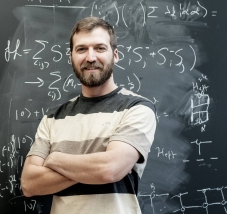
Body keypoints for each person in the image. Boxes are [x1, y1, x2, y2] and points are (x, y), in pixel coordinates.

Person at [21, 17, 156, 214]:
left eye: (100, 48)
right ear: (71, 57)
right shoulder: (53, 117)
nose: (90, 57)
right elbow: (29, 184)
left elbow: (110, 169)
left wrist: (56, 159)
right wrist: (93, 169)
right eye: (81, 49)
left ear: (115, 55)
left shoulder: (136, 108)